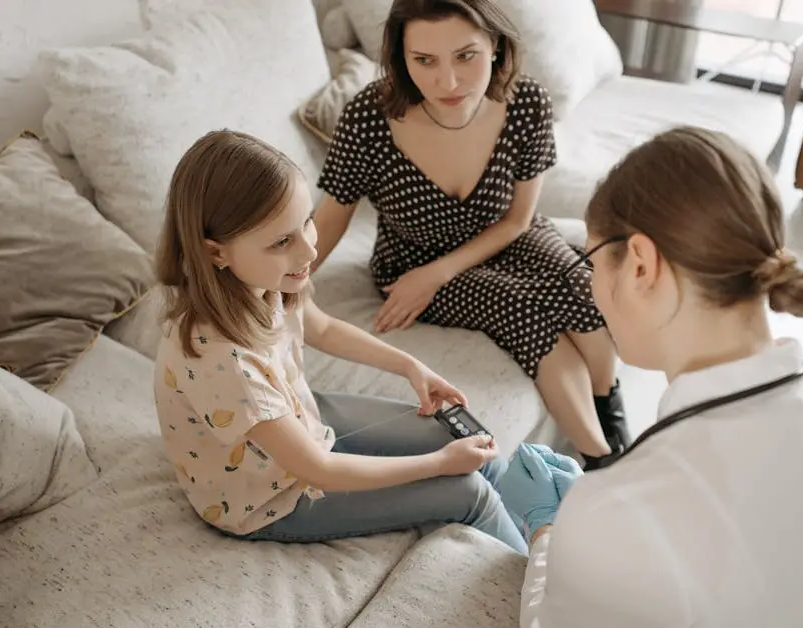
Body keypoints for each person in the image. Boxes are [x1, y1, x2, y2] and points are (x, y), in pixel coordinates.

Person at [499, 127, 803, 627]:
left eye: (590, 263)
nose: (591, 290)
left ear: (641, 265)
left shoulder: (618, 508)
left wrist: (548, 534)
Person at [152, 129, 527, 555]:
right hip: (269, 500)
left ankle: (544, 531)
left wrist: (411, 367)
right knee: (467, 490)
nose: (309, 251)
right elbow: (319, 469)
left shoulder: (269, 279)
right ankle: (544, 590)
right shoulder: (220, 361)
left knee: (468, 436)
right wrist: (439, 466)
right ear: (216, 253)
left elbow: (323, 328)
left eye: (306, 222)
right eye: (282, 242)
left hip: (296, 421)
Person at [310, 0, 628, 470]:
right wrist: (274, 278)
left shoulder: (527, 104)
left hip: (509, 236)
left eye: (466, 56)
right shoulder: (369, 118)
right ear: (402, 56)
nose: (450, 82)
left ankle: (610, 406)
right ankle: (602, 463)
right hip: (411, 264)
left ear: (495, 46)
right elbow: (331, 216)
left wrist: (442, 272)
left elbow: (519, 219)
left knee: (584, 291)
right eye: (425, 61)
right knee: (522, 310)